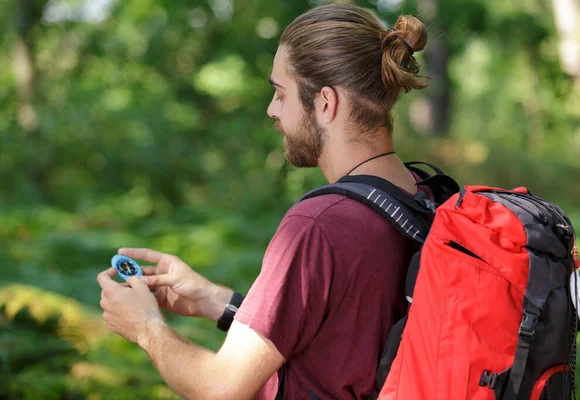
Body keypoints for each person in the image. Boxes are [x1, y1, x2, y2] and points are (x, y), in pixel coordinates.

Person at [97, 4, 430, 399]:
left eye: (280, 93)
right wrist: (213, 300)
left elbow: (220, 388)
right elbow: (342, 343)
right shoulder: (425, 196)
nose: (272, 109)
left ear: (325, 102)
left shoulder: (319, 224)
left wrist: (145, 327)